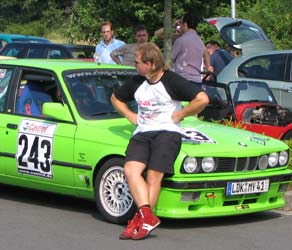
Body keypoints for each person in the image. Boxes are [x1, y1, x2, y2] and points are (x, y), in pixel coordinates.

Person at [111, 42, 209, 240]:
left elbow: (202, 99)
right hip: (143, 132)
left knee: (154, 175)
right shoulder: (138, 81)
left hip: (167, 133)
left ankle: (140, 222)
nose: (134, 65)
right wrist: (130, 116)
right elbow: (115, 98)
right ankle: (147, 216)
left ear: (149, 63)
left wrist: (180, 114)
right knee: (131, 170)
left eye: (137, 62)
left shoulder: (171, 80)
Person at [172, 12, 212, 87]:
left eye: (181, 23)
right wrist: (208, 67)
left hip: (182, 81)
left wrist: (172, 26)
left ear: (185, 24)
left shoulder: (181, 40)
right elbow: (206, 53)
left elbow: (169, 59)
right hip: (197, 81)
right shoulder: (199, 41)